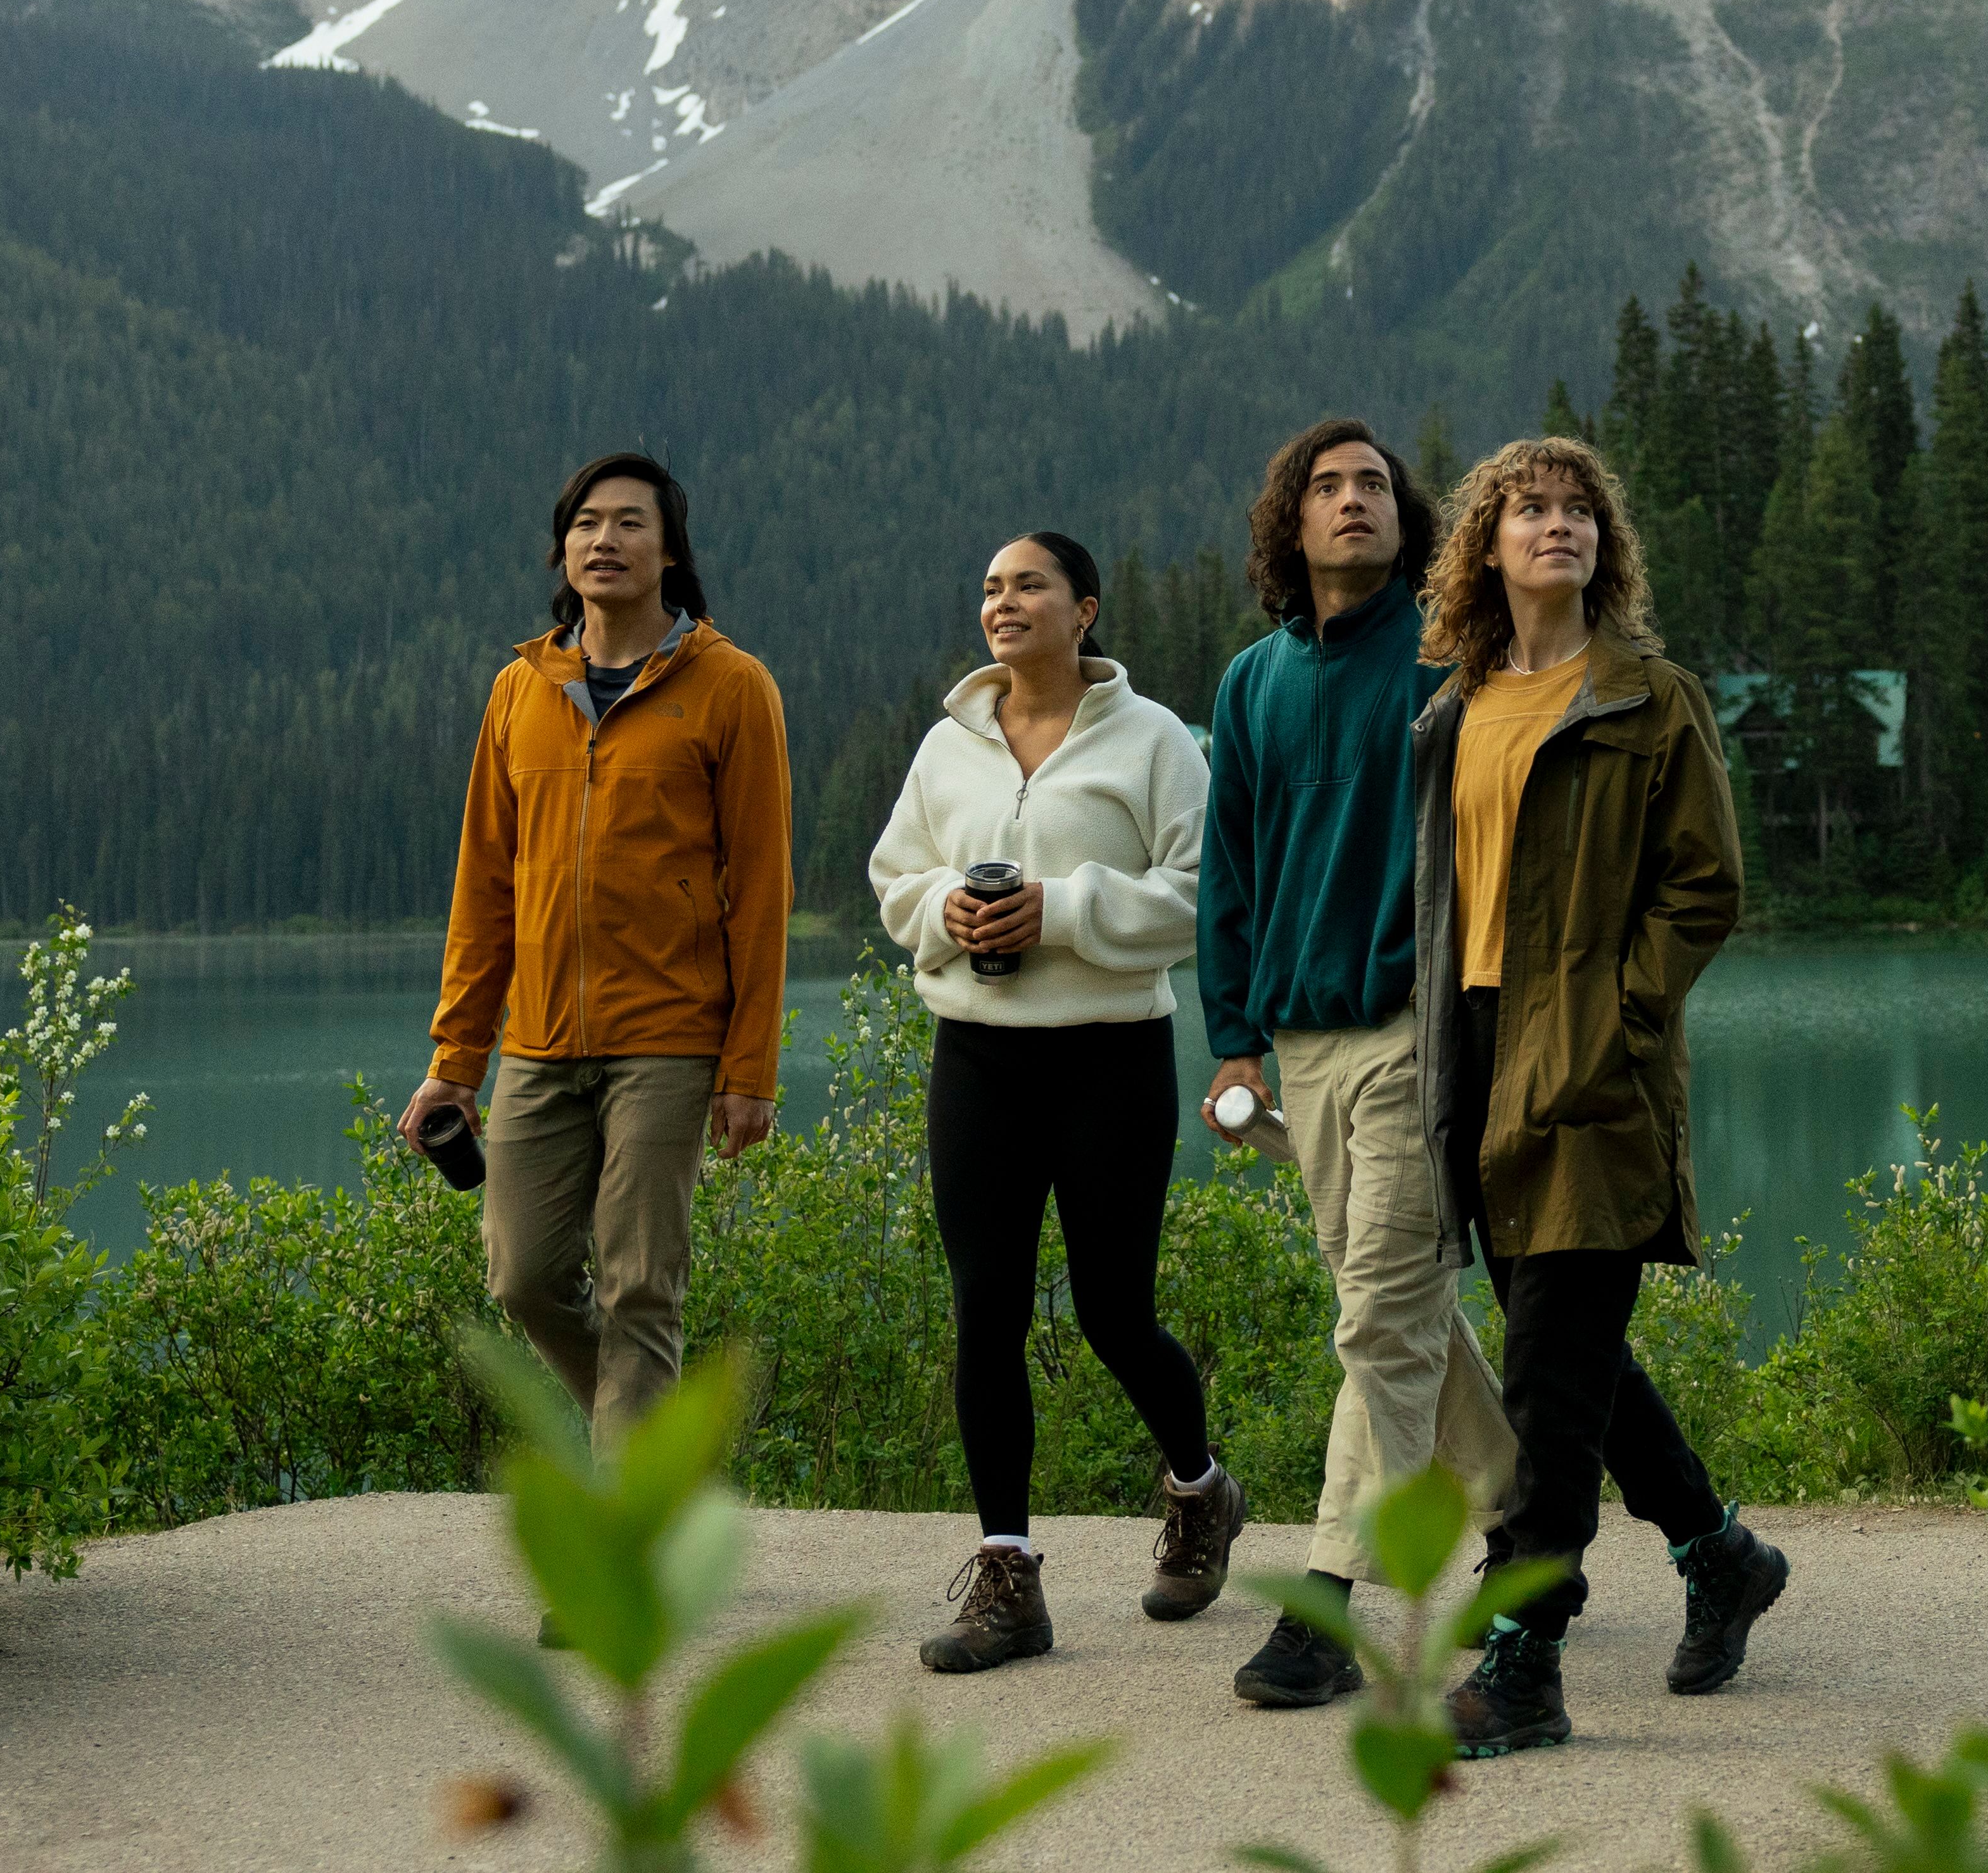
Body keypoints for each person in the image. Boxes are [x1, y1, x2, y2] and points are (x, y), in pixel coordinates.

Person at [1407, 434, 1785, 1758]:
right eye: (1526, 509)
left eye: (1575, 510)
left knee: (1542, 1385)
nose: (1553, 526)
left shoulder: (1647, 698)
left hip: (1592, 1058)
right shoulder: (1448, 711)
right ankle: (1715, 1551)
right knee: (1561, 1350)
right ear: (1487, 546)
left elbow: (1704, 888)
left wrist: (1624, 1017)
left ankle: (1525, 1657)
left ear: (1600, 546)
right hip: (1471, 1050)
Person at [868, 531, 1245, 1672]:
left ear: (1085, 609)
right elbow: (896, 877)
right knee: (983, 1306)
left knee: (1112, 1312)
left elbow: (1202, 891)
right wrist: (951, 909)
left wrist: (1064, 909)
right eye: (989, 585)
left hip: (1112, 1057)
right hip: (977, 1058)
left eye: (1028, 583)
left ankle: (1200, 1486)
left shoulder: (1156, 740)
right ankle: (1010, 1579)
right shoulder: (948, 746)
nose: (1003, 601)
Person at [1194, 419, 1522, 1711]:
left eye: (1374, 486)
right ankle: (1528, 1532)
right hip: (1298, 1042)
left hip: (1414, 1031)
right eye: (1327, 488)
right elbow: (1228, 868)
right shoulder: (1247, 682)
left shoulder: (1450, 662)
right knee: (1405, 1315)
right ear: (1291, 522)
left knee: (1378, 1317)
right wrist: (1229, 1038)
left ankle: (1323, 1606)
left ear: (1405, 519)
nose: (1352, 503)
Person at [406, 453, 792, 1454]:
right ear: (562, 548)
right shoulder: (521, 689)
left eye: (629, 523)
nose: (605, 539)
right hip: (537, 1041)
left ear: (669, 551)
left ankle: (627, 1538)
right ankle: (656, 1447)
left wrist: (749, 1067)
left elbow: (760, 892)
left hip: (667, 1036)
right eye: (586, 522)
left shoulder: (731, 686)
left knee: (637, 1286)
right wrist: (457, 1060)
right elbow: (484, 889)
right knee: (523, 1275)